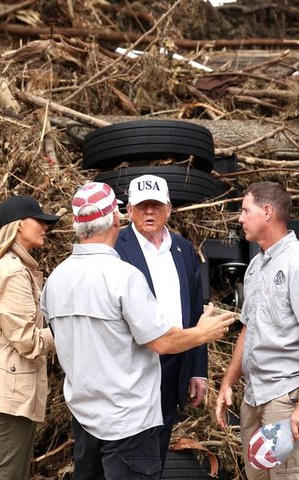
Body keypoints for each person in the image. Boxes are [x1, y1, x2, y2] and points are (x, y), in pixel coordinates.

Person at [40, 181, 235, 480]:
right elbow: (160, 340)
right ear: (119, 218)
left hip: (85, 414)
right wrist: (204, 333)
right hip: (128, 419)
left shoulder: (55, 279)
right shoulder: (123, 277)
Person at [214, 181, 299, 480]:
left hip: (286, 398)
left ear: (267, 212)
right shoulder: (255, 266)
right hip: (255, 398)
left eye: (245, 210)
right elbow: (248, 329)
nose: (240, 218)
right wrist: (228, 382)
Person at [0, 194, 60, 480]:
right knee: (5, 474)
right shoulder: (12, 271)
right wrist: (70, 330)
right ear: (19, 225)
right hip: (12, 378)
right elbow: (27, 340)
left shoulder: (16, 267)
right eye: (40, 221)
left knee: (13, 472)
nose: (46, 227)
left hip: (14, 376)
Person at [114, 174, 206, 467]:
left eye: (155, 205)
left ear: (168, 209)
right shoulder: (116, 247)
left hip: (174, 364)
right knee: (130, 453)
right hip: (132, 364)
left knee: (159, 449)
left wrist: (197, 370)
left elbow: (196, 313)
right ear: (129, 210)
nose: (149, 213)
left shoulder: (183, 249)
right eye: (142, 206)